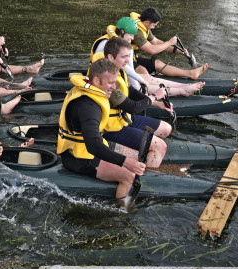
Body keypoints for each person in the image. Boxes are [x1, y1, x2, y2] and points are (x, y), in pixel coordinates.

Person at [57, 59, 166, 202]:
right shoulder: (88, 105)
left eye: (114, 82)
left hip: (87, 148)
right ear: (96, 80)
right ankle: (120, 212)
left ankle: (141, 184)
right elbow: (93, 145)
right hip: (78, 157)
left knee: (139, 158)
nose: (114, 87)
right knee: (129, 175)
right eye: (110, 83)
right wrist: (125, 162)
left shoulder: (92, 91)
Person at [91, 17, 205, 96]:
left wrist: (140, 80)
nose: (132, 38)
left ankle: (183, 86)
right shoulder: (108, 44)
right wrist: (139, 89)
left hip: (114, 73)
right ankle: (183, 91)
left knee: (146, 78)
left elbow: (127, 68)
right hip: (104, 79)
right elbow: (124, 70)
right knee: (141, 83)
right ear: (121, 31)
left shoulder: (122, 45)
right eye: (130, 35)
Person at [130, 8, 208, 79]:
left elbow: (156, 42)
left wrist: (176, 50)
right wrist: (169, 42)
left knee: (158, 63)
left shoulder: (144, 25)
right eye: (154, 25)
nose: (153, 28)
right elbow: (151, 50)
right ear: (147, 22)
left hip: (131, 57)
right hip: (125, 60)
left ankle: (191, 73)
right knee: (143, 71)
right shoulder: (136, 31)